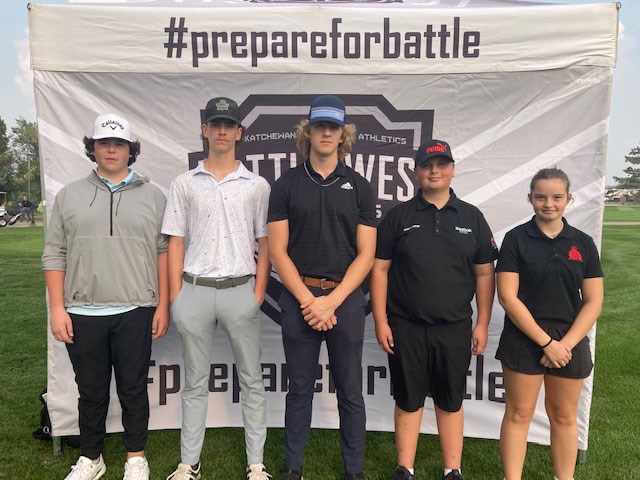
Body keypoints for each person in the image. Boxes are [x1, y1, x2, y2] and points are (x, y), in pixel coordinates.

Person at [42, 113, 169, 480]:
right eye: (104, 143)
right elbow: (55, 255)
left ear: (131, 151)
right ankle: (91, 458)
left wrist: (163, 304)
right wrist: (56, 308)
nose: (111, 150)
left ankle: (135, 458)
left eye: (119, 144)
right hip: (81, 310)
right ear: (92, 148)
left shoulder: (153, 196)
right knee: (91, 391)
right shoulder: (69, 195)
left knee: (132, 389)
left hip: (135, 308)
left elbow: (163, 252)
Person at [370, 140, 497, 480]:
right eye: (427, 165)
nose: (434, 170)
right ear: (416, 172)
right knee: (409, 398)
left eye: (441, 164)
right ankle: (405, 468)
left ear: (453, 169)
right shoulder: (399, 217)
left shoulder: (472, 217)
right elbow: (379, 269)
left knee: (450, 399)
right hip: (405, 326)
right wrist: (381, 320)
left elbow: (485, 273)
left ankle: (452, 469)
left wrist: (483, 322)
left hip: (454, 327)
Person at [268, 95, 376, 480]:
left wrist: (331, 301)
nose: (326, 133)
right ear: (307, 132)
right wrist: (309, 301)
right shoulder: (285, 185)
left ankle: (354, 471)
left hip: (344, 301)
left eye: (334, 127)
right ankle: (293, 468)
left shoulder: (361, 187)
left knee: (350, 390)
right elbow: (278, 252)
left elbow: (366, 255)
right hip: (300, 299)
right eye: (319, 126)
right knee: (299, 388)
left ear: (343, 135)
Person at [163, 97, 272, 480]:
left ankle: (256, 464)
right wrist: (177, 296)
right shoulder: (184, 183)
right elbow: (175, 240)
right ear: (204, 130)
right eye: (215, 123)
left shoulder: (257, 185)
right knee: (193, 382)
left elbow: (266, 243)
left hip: (240, 289)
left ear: (240, 133)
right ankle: (188, 463)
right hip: (194, 289)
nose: (222, 131)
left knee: (251, 381)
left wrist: (257, 293)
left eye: (229, 124)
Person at [495, 168, 604, 480]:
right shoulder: (515, 240)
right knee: (519, 414)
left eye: (557, 197)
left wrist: (563, 346)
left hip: (569, 341)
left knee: (564, 415)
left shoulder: (583, 243)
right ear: (530, 199)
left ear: (569, 199)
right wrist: (546, 343)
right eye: (541, 197)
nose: (549, 204)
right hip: (524, 337)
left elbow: (594, 300)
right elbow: (508, 297)